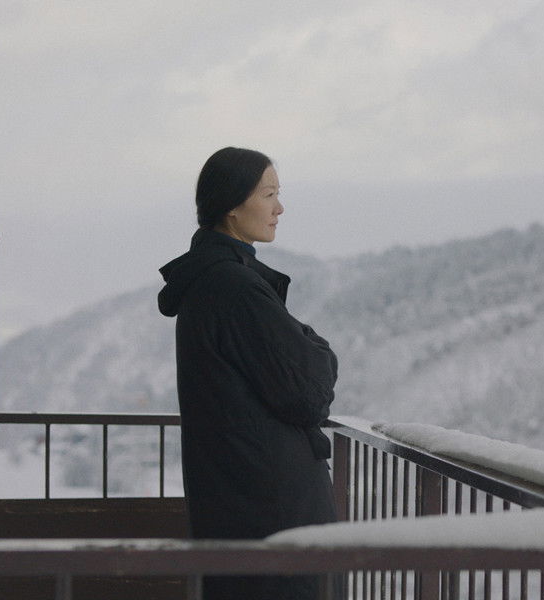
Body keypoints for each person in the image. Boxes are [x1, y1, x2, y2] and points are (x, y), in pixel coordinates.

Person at [158, 147, 339, 600]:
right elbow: (307, 392)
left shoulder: (214, 280)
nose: (280, 208)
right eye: (269, 194)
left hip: (239, 501)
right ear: (232, 205)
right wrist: (321, 350)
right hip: (270, 513)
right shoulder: (235, 287)